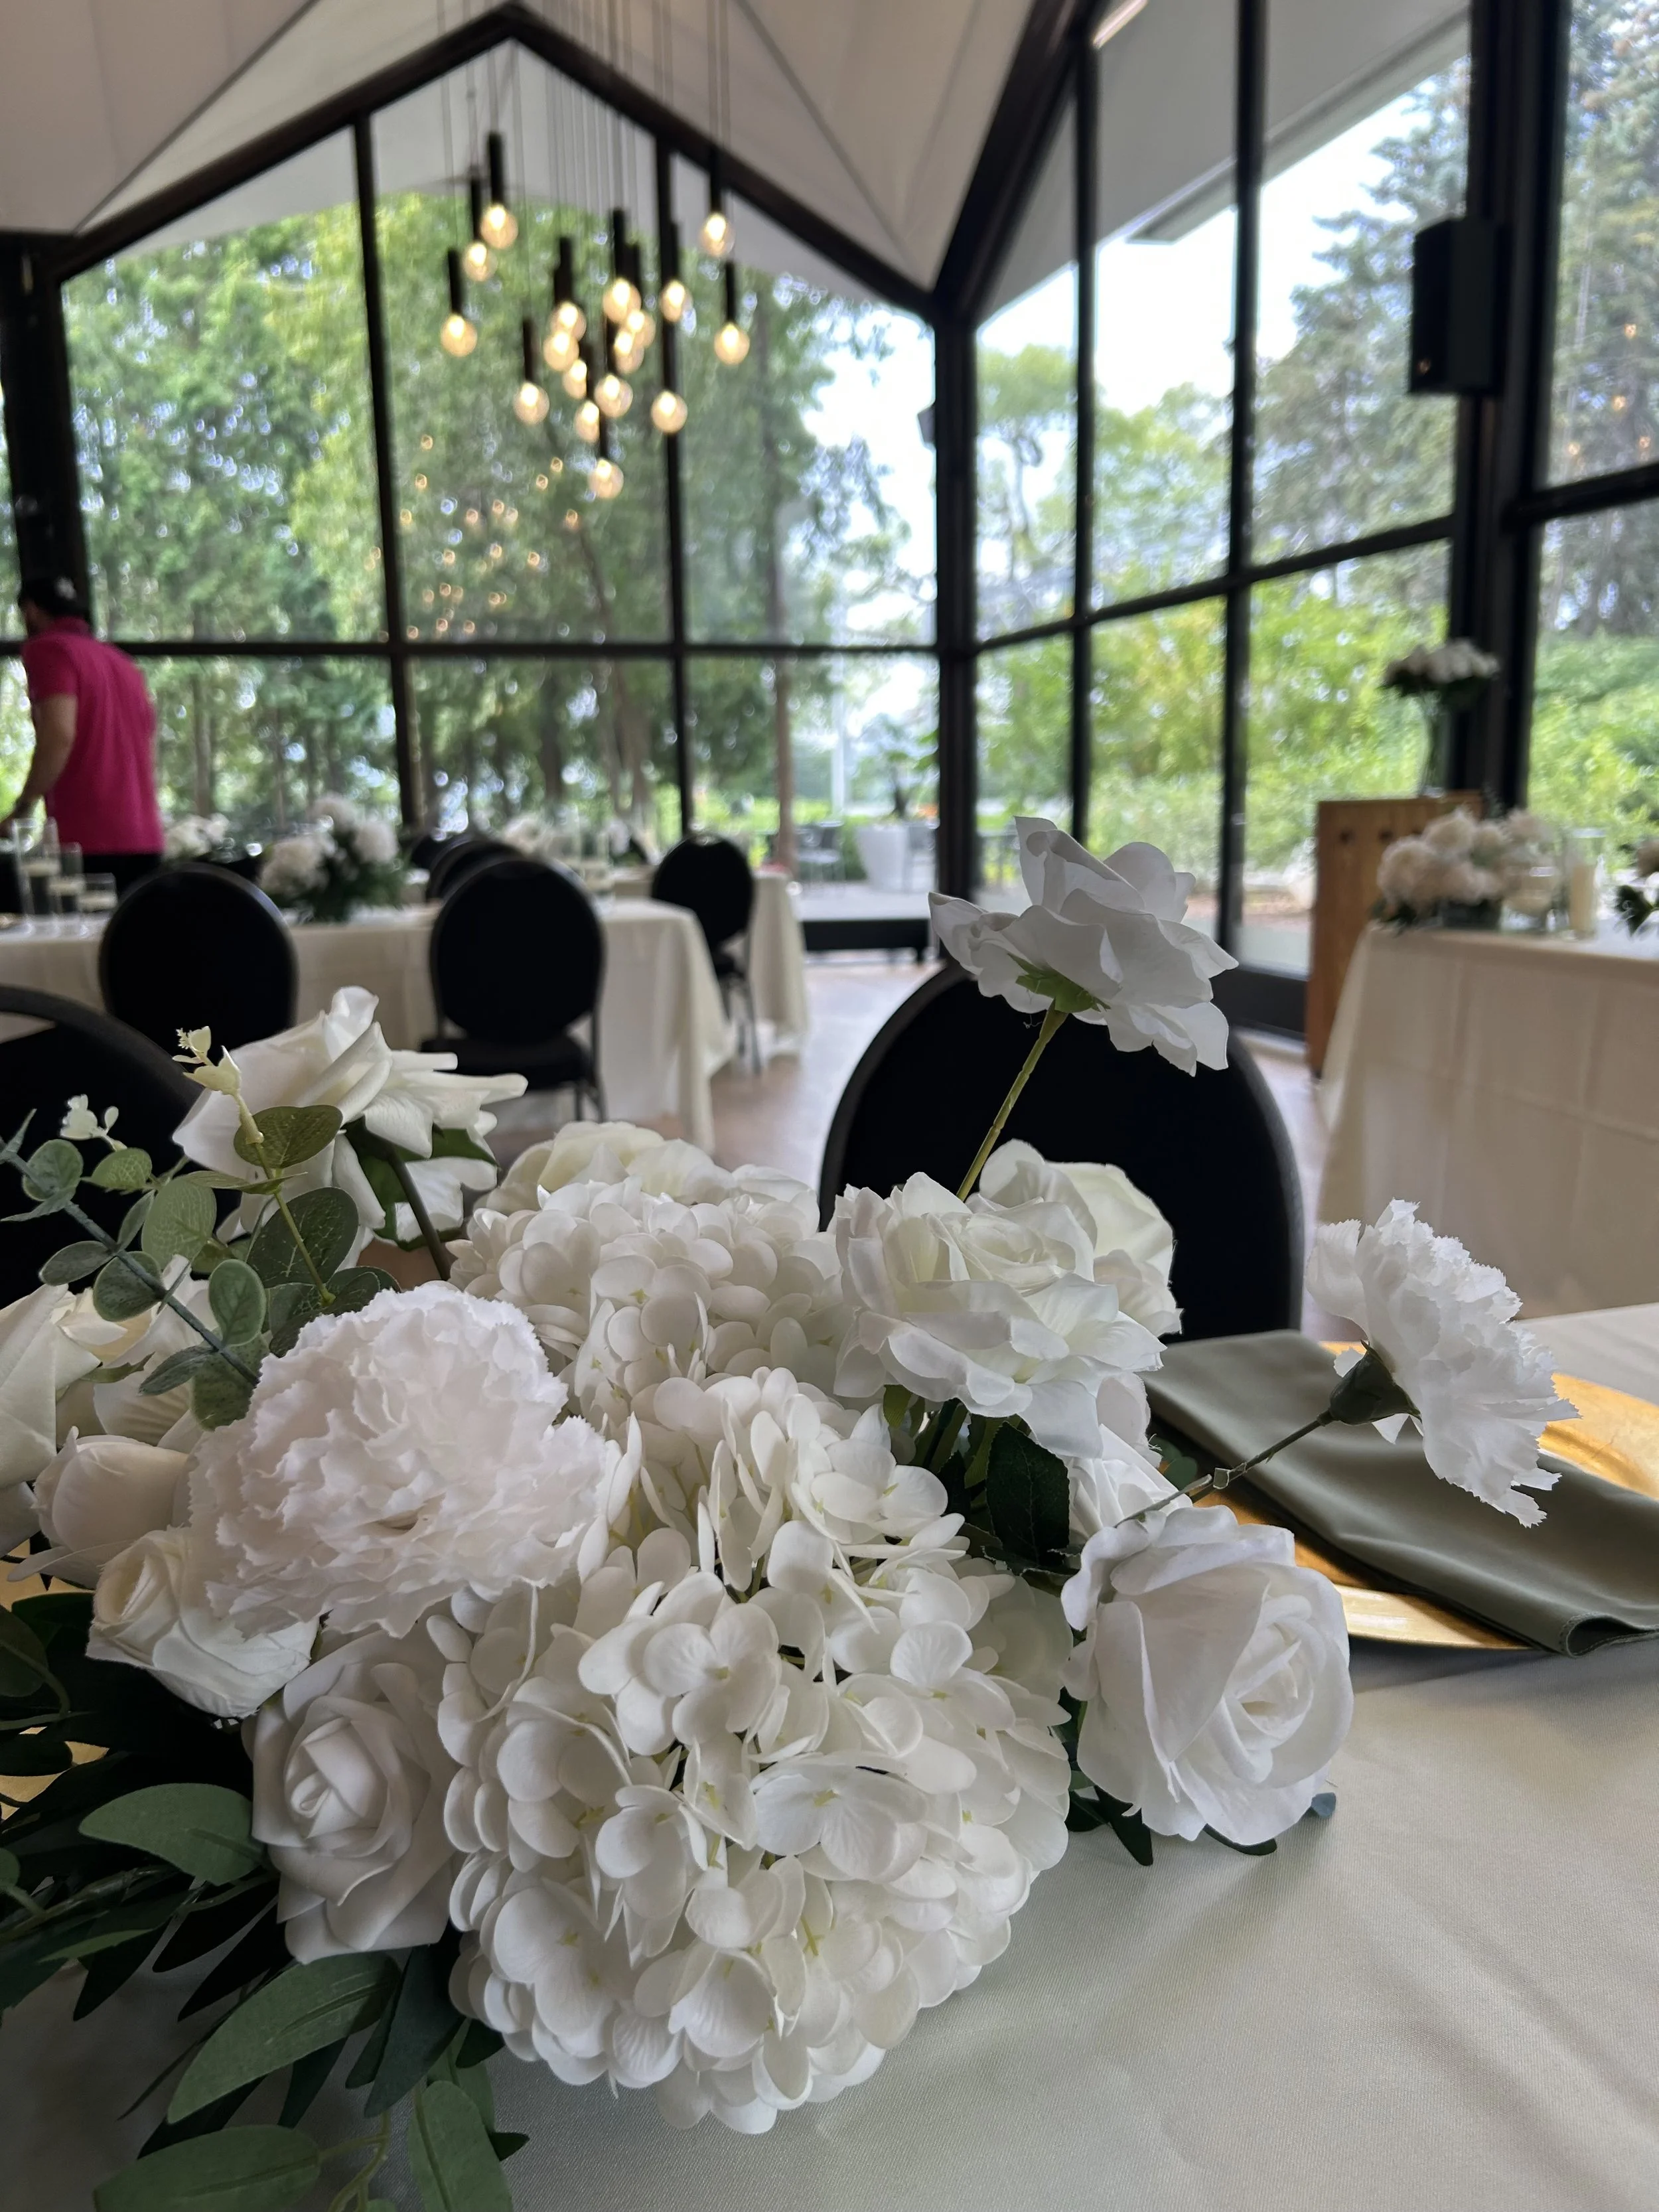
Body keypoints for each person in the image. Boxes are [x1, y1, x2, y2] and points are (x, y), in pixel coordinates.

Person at [3, 574, 164, 894]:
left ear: (31, 611)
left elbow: (60, 734)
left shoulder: (48, 650)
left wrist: (21, 810)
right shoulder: (122, 663)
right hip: (145, 838)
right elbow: (149, 746)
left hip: (88, 841)